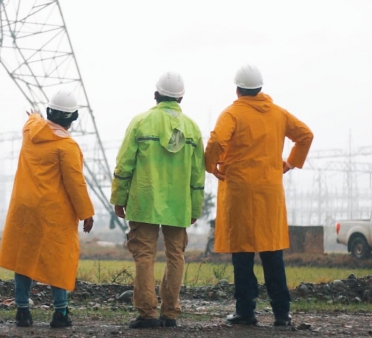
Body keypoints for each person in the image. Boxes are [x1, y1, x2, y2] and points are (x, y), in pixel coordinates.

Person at [205, 64, 313, 326]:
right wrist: (289, 163)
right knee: (272, 252)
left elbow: (217, 141)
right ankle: (281, 314)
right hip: (269, 194)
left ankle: (245, 311)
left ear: (237, 89)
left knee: (242, 254)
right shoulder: (278, 114)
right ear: (261, 88)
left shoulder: (232, 113)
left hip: (240, 192)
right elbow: (305, 135)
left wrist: (211, 165)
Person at [110, 71, 205, 329]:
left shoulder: (141, 122)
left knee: (144, 255)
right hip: (179, 205)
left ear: (156, 95)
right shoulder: (193, 129)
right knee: (176, 255)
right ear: (181, 97)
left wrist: (119, 197)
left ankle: (147, 313)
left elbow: (125, 163)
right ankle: (170, 313)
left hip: (145, 202)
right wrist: (195, 206)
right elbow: (198, 175)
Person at [0, 89, 95, 329]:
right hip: (54, 213)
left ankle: (22, 311)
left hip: (24, 209)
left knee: (24, 258)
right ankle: (60, 313)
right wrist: (86, 212)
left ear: (49, 111)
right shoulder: (67, 146)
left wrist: (35, 116)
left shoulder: (30, 132)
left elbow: (33, 119)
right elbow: (75, 182)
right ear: (72, 119)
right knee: (59, 259)